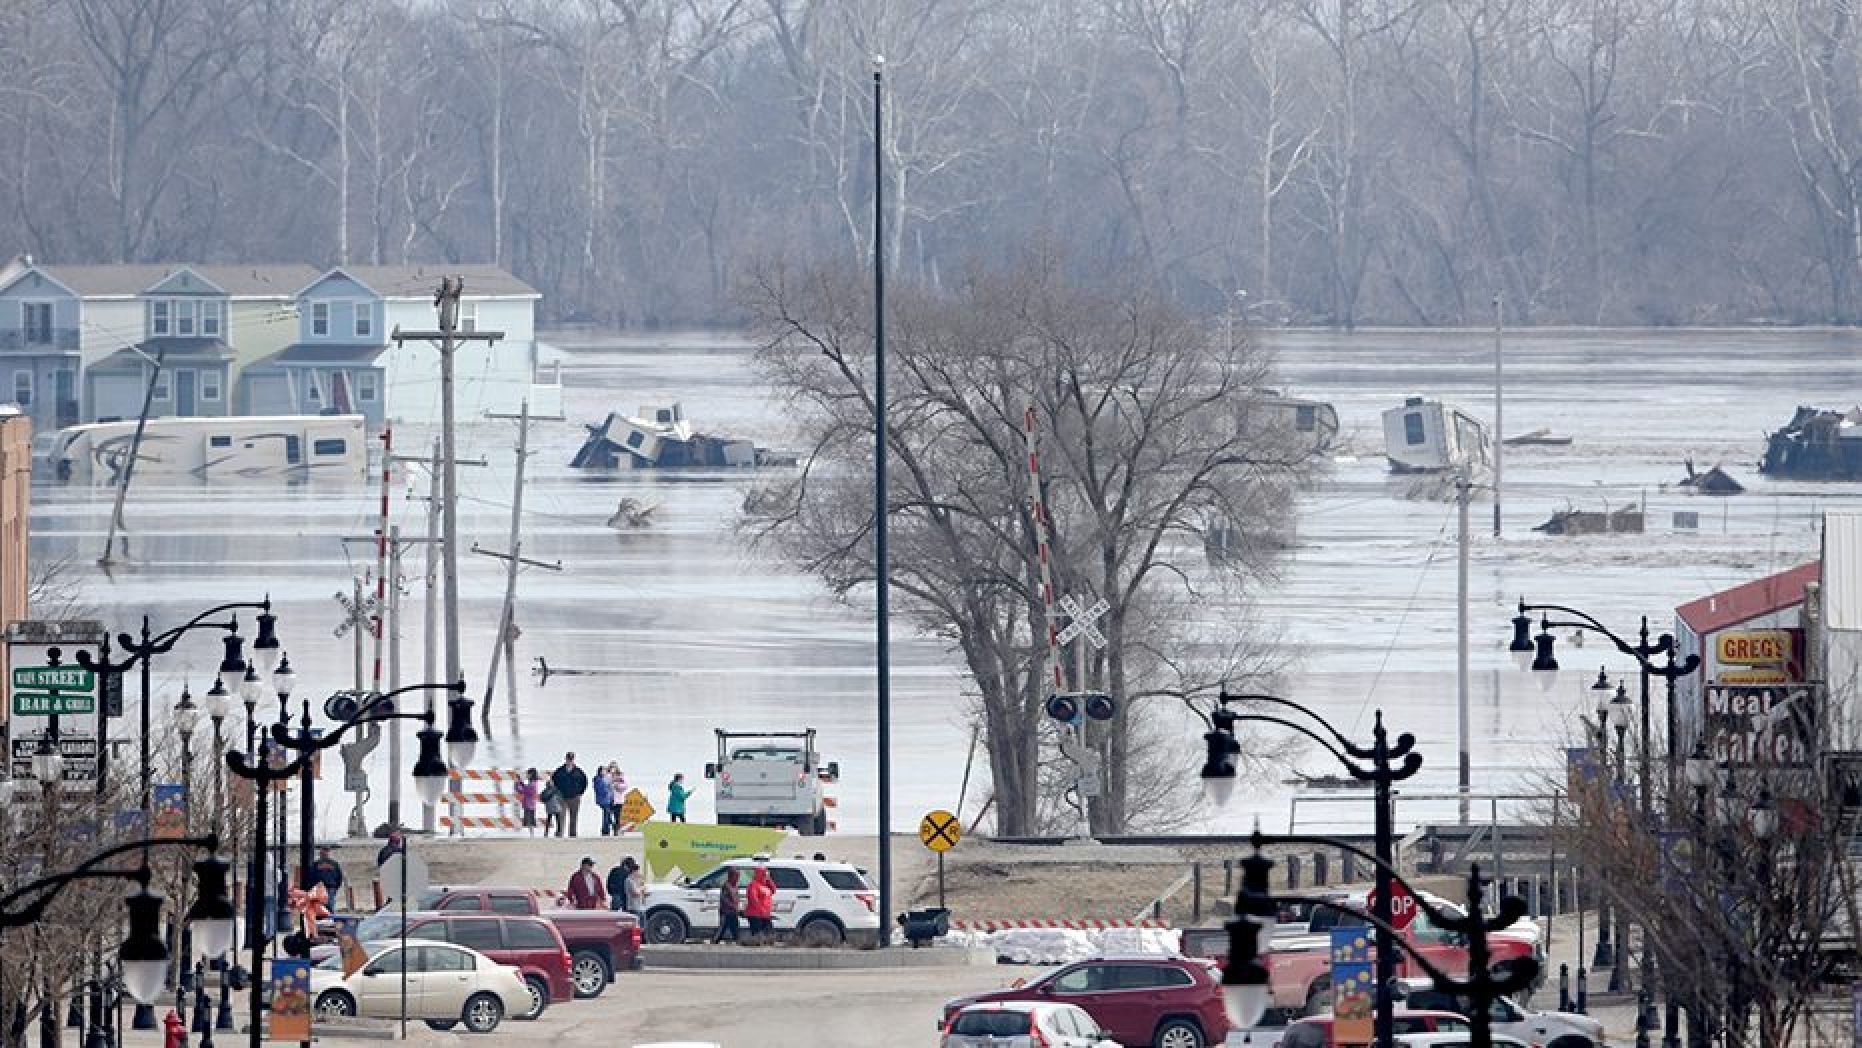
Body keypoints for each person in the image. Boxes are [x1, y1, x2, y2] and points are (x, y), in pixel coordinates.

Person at [550, 753, 589, 837]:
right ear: (566, 759)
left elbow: (584, 782)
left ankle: (572, 834)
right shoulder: (560, 771)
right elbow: (553, 781)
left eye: (571, 759)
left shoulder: (578, 771)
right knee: (561, 816)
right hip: (562, 797)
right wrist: (557, 793)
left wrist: (580, 793)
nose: (570, 761)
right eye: (568, 759)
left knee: (573, 817)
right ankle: (560, 833)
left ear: (573, 759)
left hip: (574, 797)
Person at [743, 864, 776, 944]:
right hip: (755, 914)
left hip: (765, 914)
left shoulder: (765, 885)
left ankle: (765, 943)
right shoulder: (753, 885)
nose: (765, 876)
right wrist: (761, 910)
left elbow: (773, 890)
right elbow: (753, 899)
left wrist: (769, 879)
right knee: (757, 933)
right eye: (764, 874)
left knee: (769, 932)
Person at [713, 868, 741, 944]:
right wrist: (733, 906)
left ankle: (737, 940)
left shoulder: (735, 886)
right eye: (736, 876)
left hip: (733, 912)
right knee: (722, 927)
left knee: (735, 927)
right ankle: (715, 941)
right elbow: (724, 899)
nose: (738, 878)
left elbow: (736, 897)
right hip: (726, 912)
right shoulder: (726, 886)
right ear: (731, 876)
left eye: (738, 876)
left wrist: (738, 906)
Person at [515, 769, 541, 836]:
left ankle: (532, 835)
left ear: (531, 774)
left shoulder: (532, 784)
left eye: (528, 774)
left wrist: (517, 783)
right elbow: (525, 788)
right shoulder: (533, 783)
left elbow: (522, 790)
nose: (527, 775)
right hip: (530, 804)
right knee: (530, 820)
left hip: (529, 804)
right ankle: (531, 834)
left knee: (530, 821)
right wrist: (520, 781)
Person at [593, 764, 615, 835]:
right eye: (603, 771)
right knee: (607, 813)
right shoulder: (598, 779)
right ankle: (607, 828)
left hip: (607, 799)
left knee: (607, 814)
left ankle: (606, 828)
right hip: (602, 800)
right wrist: (609, 788)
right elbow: (601, 789)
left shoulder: (606, 778)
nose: (604, 772)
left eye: (605, 771)